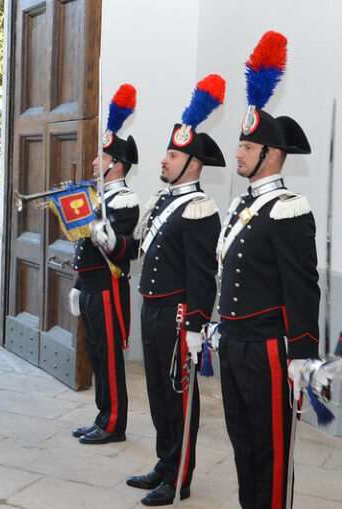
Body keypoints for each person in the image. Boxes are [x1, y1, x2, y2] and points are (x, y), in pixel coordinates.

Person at [217, 31, 319, 509]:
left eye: (245, 146)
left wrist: (302, 353)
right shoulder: (243, 206)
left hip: (269, 350)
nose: (237, 153)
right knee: (243, 442)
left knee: (273, 451)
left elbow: (303, 287)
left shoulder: (289, 208)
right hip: (236, 345)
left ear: (271, 155)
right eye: (239, 144)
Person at [125, 75, 226, 506]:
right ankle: (165, 463)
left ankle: (179, 477)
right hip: (153, 309)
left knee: (179, 396)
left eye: (172, 154)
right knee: (157, 391)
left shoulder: (200, 208)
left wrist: (197, 326)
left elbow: (204, 275)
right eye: (167, 152)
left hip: (180, 314)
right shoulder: (164, 202)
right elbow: (139, 250)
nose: (163, 160)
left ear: (192, 164)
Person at [69, 83, 139, 445]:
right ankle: (102, 415)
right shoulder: (97, 197)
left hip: (110, 289)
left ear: (117, 164)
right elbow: (85, 240)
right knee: (96, 354)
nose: (96, 162)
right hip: (92, 287)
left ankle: (114, 424)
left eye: (102, 158)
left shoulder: (125, 200)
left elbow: (118, 249)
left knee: (110, 359)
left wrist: (100, 230)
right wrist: (78, 283)